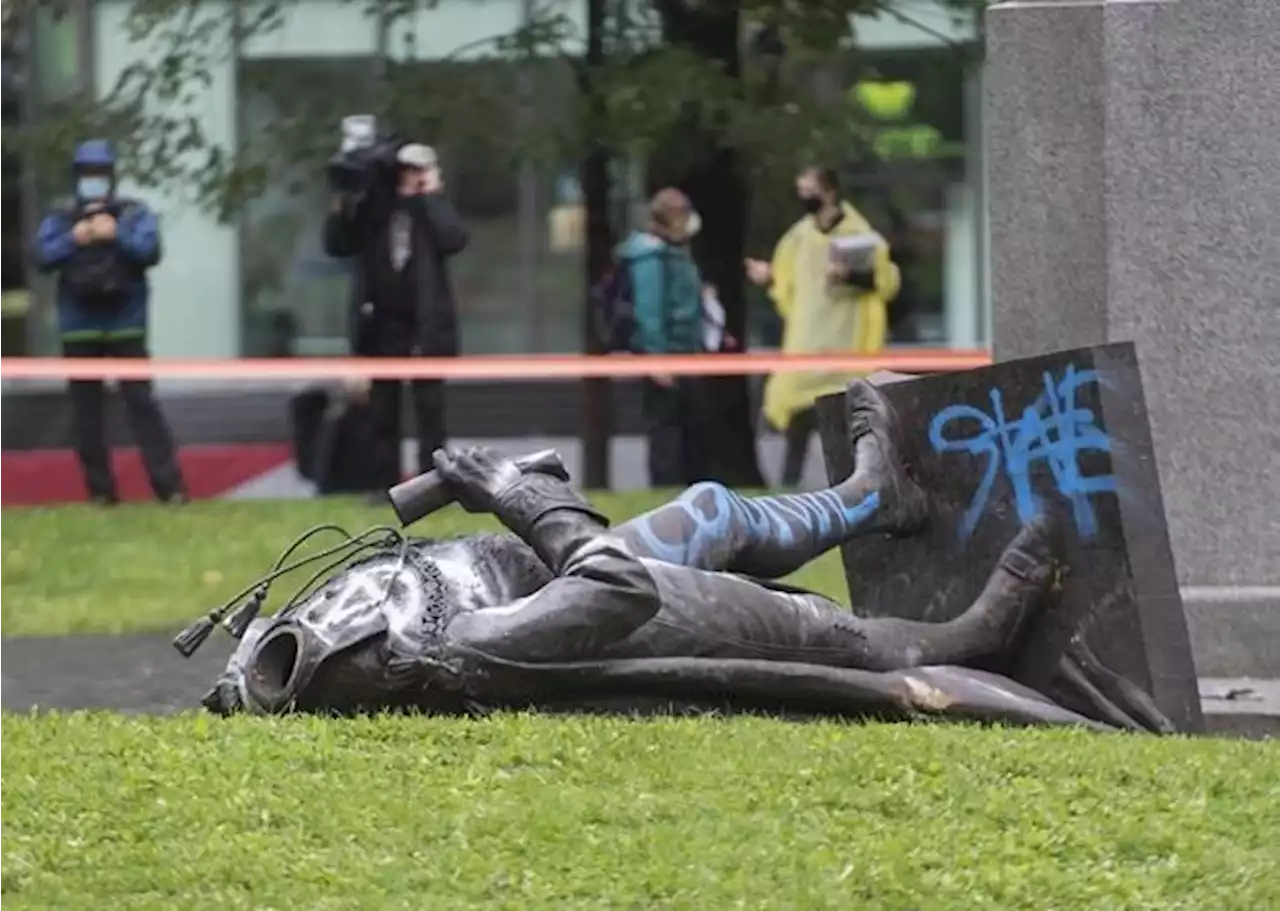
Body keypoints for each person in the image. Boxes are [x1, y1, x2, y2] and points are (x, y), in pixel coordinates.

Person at [196, 378, 1169, 733]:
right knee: (827, 637)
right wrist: (526, 498)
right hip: (615, 593)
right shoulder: (466, 647)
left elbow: (240, 675)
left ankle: (868, 498)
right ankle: (980, 631)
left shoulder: (328, 641)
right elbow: (610, 586)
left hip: (569, 565)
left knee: (710, 509)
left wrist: (514, 492)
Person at [31, 139, 186, 505]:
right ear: (77, 176)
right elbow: (40, 257)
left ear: (112, 176)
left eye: (100, 173)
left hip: (126, 324)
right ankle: (100, 493)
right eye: (87, 174)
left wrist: (117, 235)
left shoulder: (133, 213)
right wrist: (75, 238)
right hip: (79, 326)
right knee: (86, 414)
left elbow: (150, 251)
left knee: (142, 407)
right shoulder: (61, 217)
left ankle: (171, 489)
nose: (94, 181)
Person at [322, 142, 469, 497]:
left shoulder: (428, 212)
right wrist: (344, 201)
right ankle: (382, 486)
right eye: (402, 171)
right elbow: (338, 243)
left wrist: (429, 195)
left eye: (413, 171)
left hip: (425, 325)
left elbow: (455, 239)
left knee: (430, 413)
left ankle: (432, 487)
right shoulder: (375, 210)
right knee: (381, 414)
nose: (406, 178)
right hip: (380, 325)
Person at [746, 165, 900, 488]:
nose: (804, 197)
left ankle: (850, 484)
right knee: (798, 415)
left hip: (845, 344)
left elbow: (885, 282)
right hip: (807, 342)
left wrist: (849, 276)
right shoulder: (798, 237)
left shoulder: (859, 234)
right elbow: (787, 278)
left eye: (810, 190)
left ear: (829, 192)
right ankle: (789, 486)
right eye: (800, 190)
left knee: (844, 419)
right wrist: (769, 275)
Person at [615, 187, 708, 487]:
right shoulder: (651, 257)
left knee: (691, 432)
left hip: (685, 353)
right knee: (666, 433)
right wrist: (657, 359)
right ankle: (666, 492)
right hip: (668, 357)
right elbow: (649, 310)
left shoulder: (673, 253)